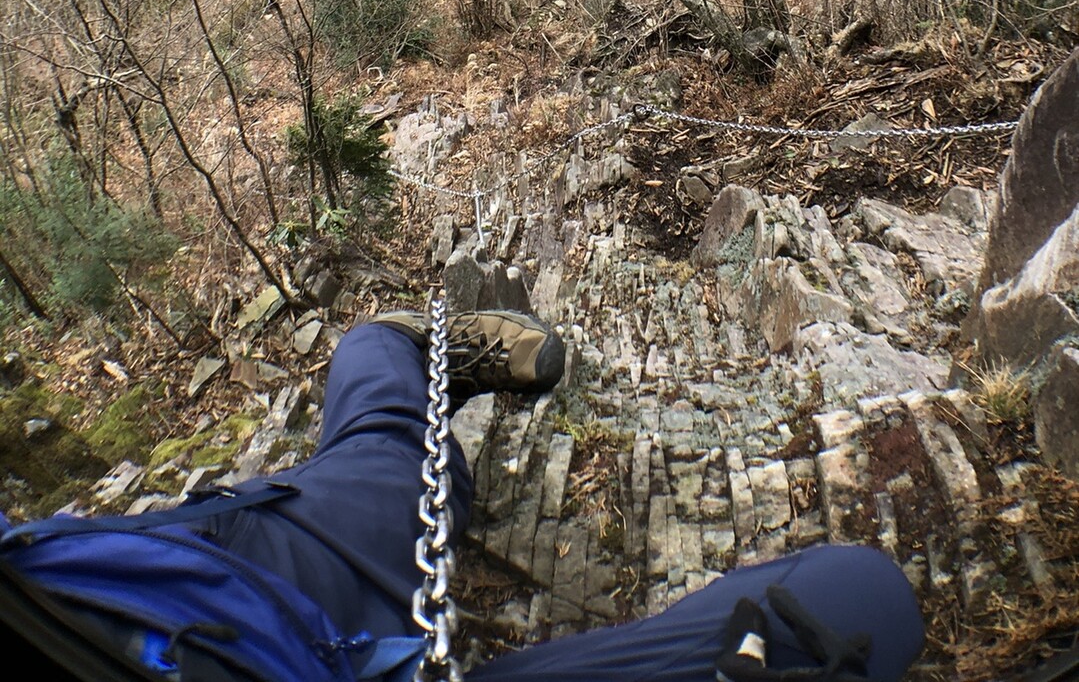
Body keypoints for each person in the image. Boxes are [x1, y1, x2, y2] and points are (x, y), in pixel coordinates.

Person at [0, 311, 926, 682]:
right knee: (857, 601)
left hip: (193, 576)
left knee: (384, 407)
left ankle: (407, 341)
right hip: (251, 614)